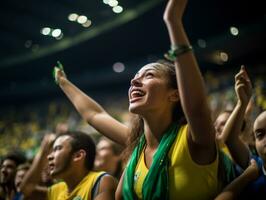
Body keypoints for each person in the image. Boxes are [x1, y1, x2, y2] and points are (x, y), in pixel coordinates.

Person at [53, 0, 235, 199]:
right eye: (135, 78)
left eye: (148, 75)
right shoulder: (136, 145)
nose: (134, 81)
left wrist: (173, 21)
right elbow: (95, 114)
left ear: (175, 94)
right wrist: (63, 83)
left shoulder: (194, 138)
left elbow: (198, 106)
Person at [20, 132, 117, 200]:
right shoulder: (57, 190)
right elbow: (26, 189)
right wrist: (42, 152)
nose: (49, 156)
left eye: (57, 149)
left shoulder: (101, 181)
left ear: (78, 156)